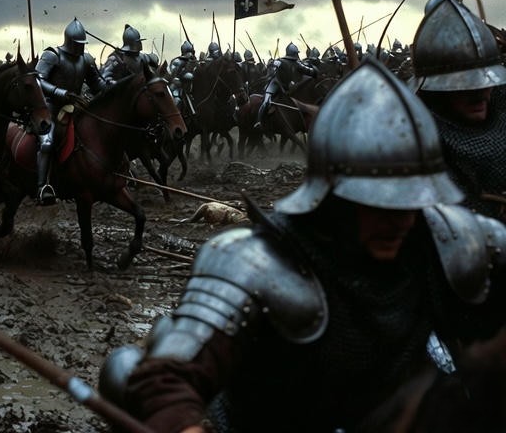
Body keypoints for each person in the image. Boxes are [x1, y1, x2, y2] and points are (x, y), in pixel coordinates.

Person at [100, 58, 506, 433]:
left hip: (392, 418)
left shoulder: (450, 239)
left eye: (409, 203)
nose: (399, 220)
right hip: (281, 424)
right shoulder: (258, 261)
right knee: (124, 370)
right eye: (378, 205)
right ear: (335, 199)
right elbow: (168, 374)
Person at [411, 0, 506, 217]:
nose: (481, 94)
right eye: (465, 86)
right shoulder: (417, 147)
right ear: (436, 94)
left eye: (485, 82)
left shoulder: (501, 109)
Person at [34, 18, 102, 205]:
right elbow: (37, 80)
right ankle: (43, 187)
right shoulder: (52, 55)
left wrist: (115, 87)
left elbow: (97, 85)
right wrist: (58, 91)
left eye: (82, 44)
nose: (80, 48)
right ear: (70, 41)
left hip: (76, 107)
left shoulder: (86, 59)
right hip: (51, 108)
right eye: (77, 44)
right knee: (47, 143)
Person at [254, 42, 317, 129]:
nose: (296, 55)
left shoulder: (298, 64)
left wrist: (313, 68)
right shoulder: (280, 61)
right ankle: (259, 121)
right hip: (276, 84)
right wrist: (272, 63)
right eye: (295, 53)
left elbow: (310, 71)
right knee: (266, 101)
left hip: (289, 87)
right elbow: (271, 69)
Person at [100, 24, 147, 88]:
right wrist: (116, 84)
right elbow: (104, 77)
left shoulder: (141, 57)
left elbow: (153, 58)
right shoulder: (116, 59)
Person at [168, 41, 198, 113]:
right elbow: (172, 74)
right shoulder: (177, 61)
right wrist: (186, 76)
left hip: (189, 87)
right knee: (177, 100)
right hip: (177, 86)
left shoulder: (193, 61)